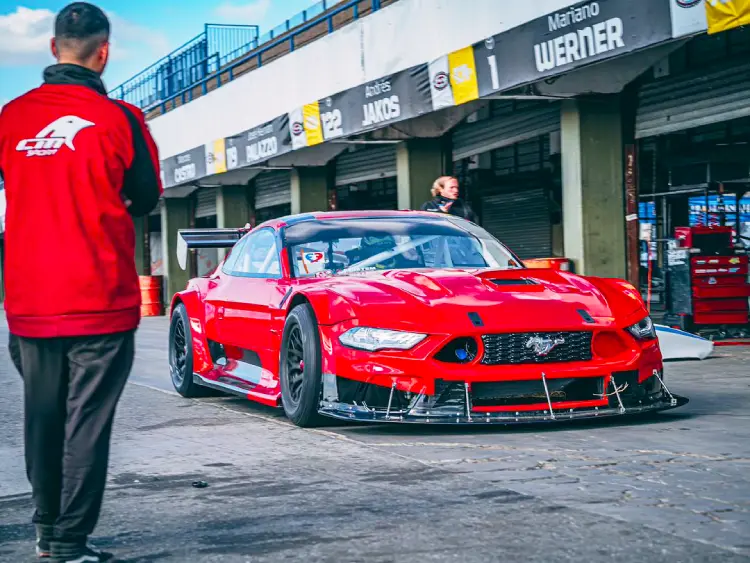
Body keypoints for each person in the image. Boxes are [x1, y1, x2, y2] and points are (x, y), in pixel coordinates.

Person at [0, 3, 162, 562]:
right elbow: (145, 197)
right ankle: (69, 541)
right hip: (99, 297)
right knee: (85, 424)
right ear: (104, 52)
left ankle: (47, 530)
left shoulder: (10, 118)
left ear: (52, 50)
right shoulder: (122, 120)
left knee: (42, 419)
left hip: (29, 300)